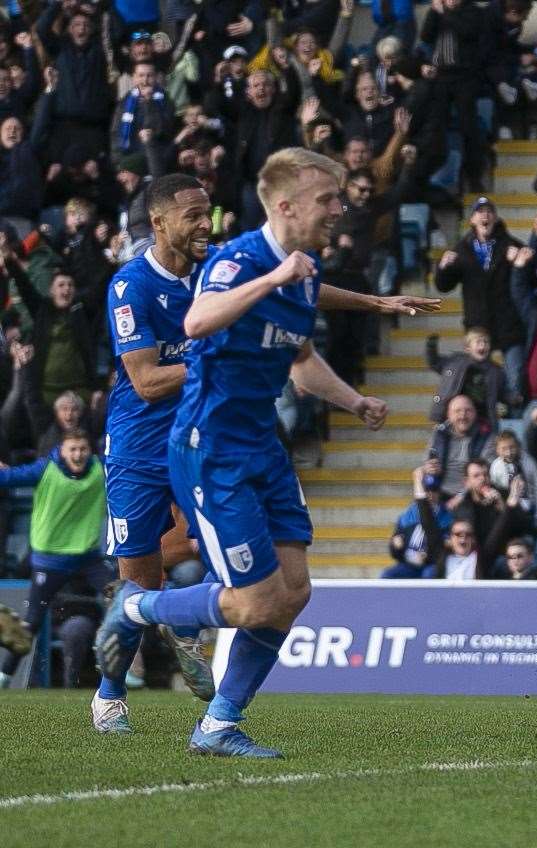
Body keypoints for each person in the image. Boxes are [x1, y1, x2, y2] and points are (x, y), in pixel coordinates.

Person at [94, 148, 430, 759]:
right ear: (287, 205)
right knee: (248, 600)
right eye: (328, 199)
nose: (340, 208)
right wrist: (271, 283)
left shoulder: (299, 269)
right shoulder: (232, 264)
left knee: (295, 591)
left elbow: (300, 357)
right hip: (206, 446)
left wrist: (354, 399)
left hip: (260, 447)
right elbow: (195, 326)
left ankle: (219, 723)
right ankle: (136, 615)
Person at [96, 173, 219, 731]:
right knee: (137, 583)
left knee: (224, 543)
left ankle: (181, 617)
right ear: (160, 222)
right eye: (194, 214)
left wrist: (374, 301)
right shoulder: (130, 286)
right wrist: (214, 359)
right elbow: (145, 382)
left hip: (195, 437)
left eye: (208, 212)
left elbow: (288, 282)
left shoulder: (217, 269)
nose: (205, 224)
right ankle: (110, 692)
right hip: (137, 446)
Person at [0, 431, 111, 691]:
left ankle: (121, 669)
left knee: (120, 600)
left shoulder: (100, 469)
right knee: (31, 624)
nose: (78, 454)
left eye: (83, 449)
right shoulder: (44, 470)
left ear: (90, 451)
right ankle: (4, 677)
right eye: (72, 449)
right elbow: (10, 478)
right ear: (62, 451)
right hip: (50, 560)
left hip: (87, 557)